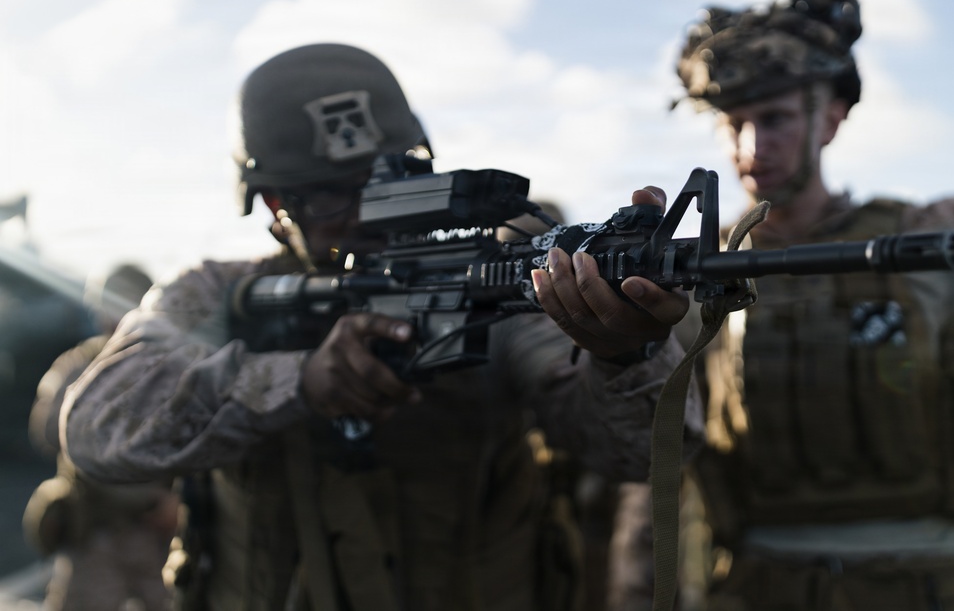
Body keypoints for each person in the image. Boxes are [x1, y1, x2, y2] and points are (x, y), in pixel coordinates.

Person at [59, 43, 701, 611]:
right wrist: (297, 380)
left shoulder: (485, 284)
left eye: (386, 181)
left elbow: (645, 453)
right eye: (330, 195)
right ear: (276, 203)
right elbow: (99, 427)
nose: (368, 213)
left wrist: (625, 355)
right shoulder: (219, 294)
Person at [648, 0, 954, 611]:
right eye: (733, 123)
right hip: (763, 583)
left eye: (775, 118)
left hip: (926, 583)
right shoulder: (694, 269)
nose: (752, 145)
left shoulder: (923, 239)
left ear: (831, 119)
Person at [23, 263, 177, 611]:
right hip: (96, 531)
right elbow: (46, 429)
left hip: (155, 529)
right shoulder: (80, 362)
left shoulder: (168, 366)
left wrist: (176, 505)